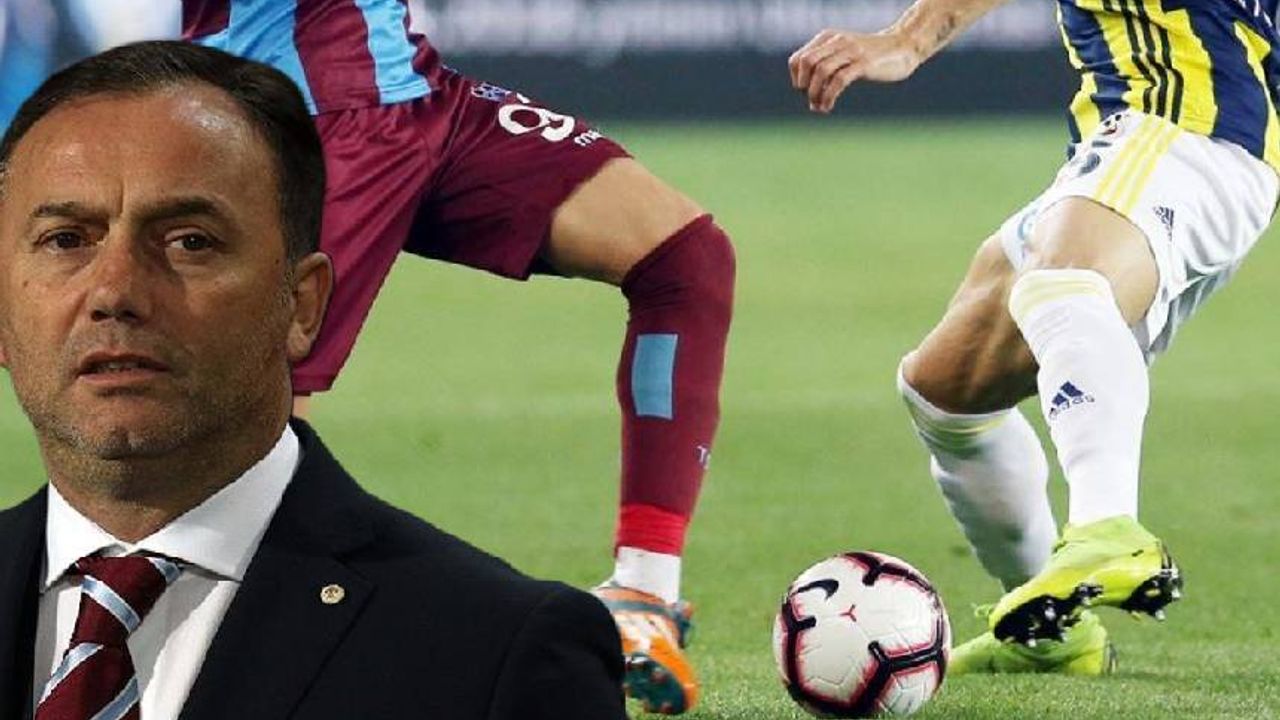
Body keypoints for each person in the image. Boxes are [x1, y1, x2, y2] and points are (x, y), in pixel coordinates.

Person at [0, 41, 627, 720]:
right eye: (66, 239)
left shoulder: (501, 653)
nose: (115, 292)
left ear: (302, 306)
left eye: (190, 241)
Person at [175, 3, 735, 711]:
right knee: (253, 427)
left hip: (417, 94)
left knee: (683, 256)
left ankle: (642, 595)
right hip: (309, 115)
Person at [790, 0, 1278, 673]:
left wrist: (907, 40)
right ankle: (1053, 635)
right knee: (944, 395)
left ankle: (1108, 528)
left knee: (1060, 283)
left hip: (1183, 126)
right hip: (1140, 143)